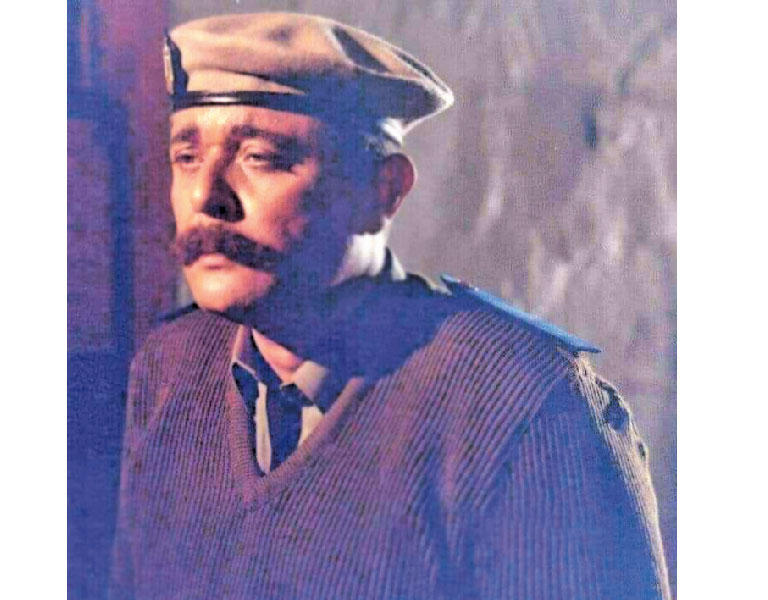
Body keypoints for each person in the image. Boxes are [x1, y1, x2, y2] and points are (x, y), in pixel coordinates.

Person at [110, 12, 671, 600]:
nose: (206, 197)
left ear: (382, 192)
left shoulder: (525, 404)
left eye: (261, 157)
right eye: (187, 157)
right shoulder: (169, 368)